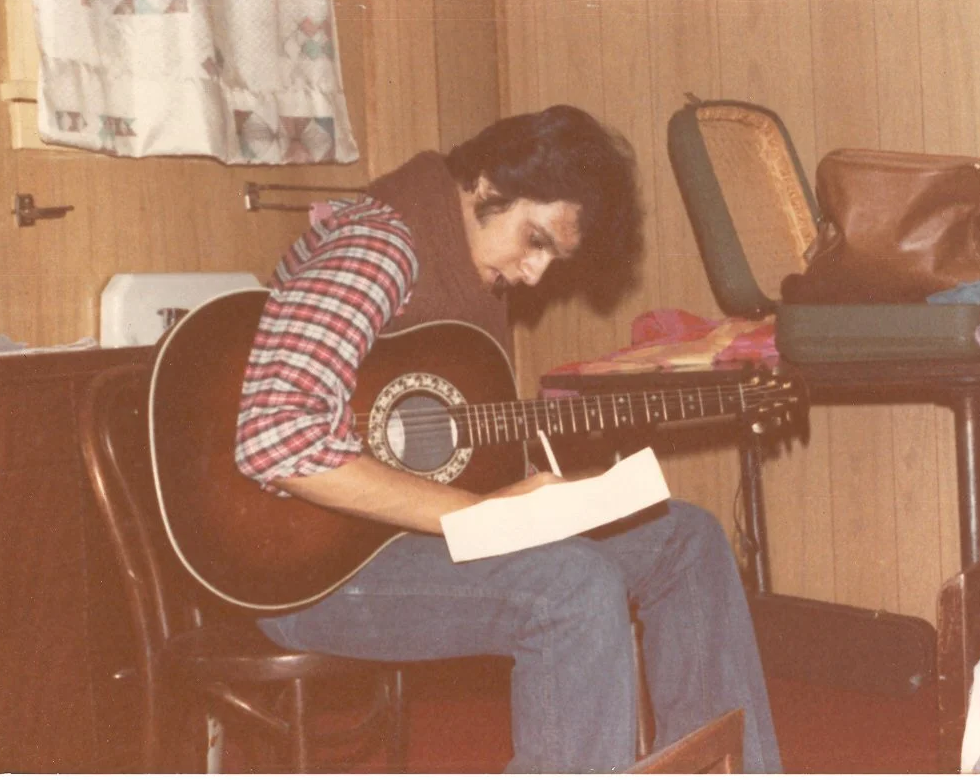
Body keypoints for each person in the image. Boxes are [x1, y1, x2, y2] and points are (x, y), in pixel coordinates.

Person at [235, 105, 783, 773]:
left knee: (685, 539)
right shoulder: (378, 246)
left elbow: (449, 449)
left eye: (553, 255)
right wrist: (481, 513)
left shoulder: (458, 261)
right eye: (534, 239)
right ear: (489, 184)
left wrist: (538, 497)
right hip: (307, 572)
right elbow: (275, 434)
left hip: (397, 543)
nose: (534, 274)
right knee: (568, 587)